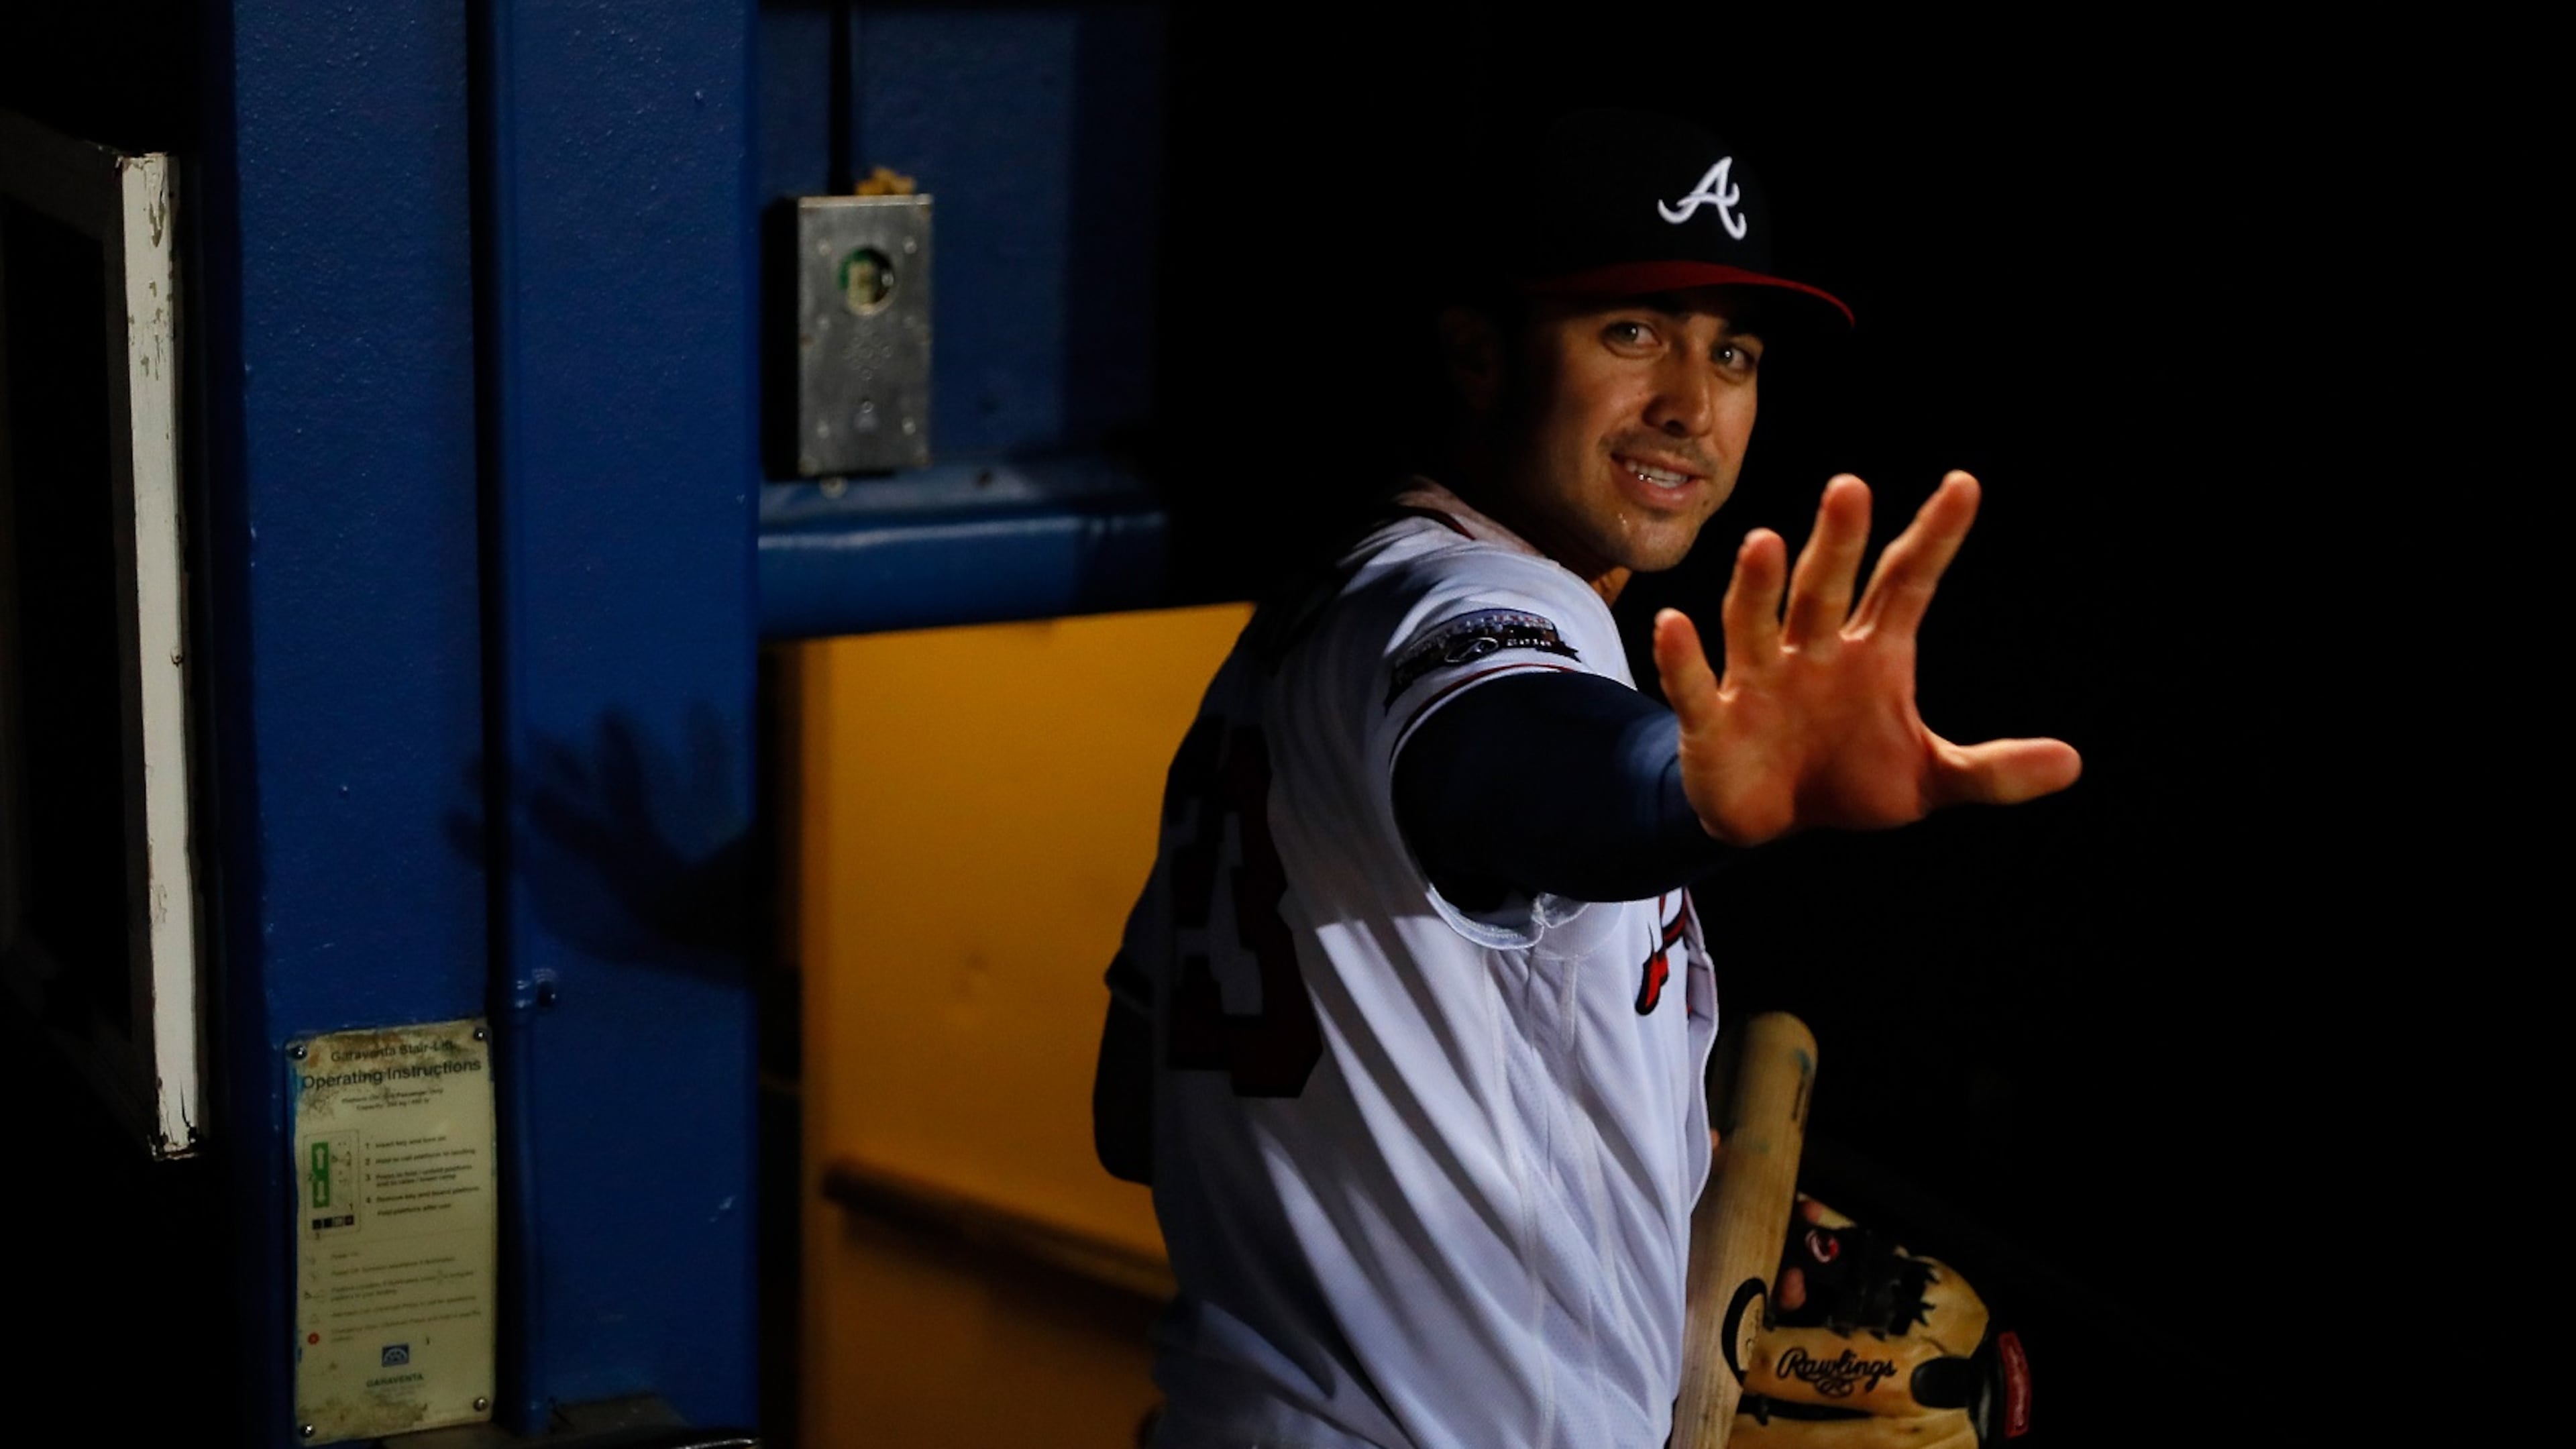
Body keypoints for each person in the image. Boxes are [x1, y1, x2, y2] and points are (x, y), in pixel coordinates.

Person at [1091, 108, 2080, 1449]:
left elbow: (1137, 1111)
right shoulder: (1473, 600)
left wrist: (1649, 1180)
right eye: (1632, 332)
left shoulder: (1304, 624)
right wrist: (1689, 792)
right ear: (1480, 354)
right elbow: (1516, 761)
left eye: (1730, 350)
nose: (1691, 402)